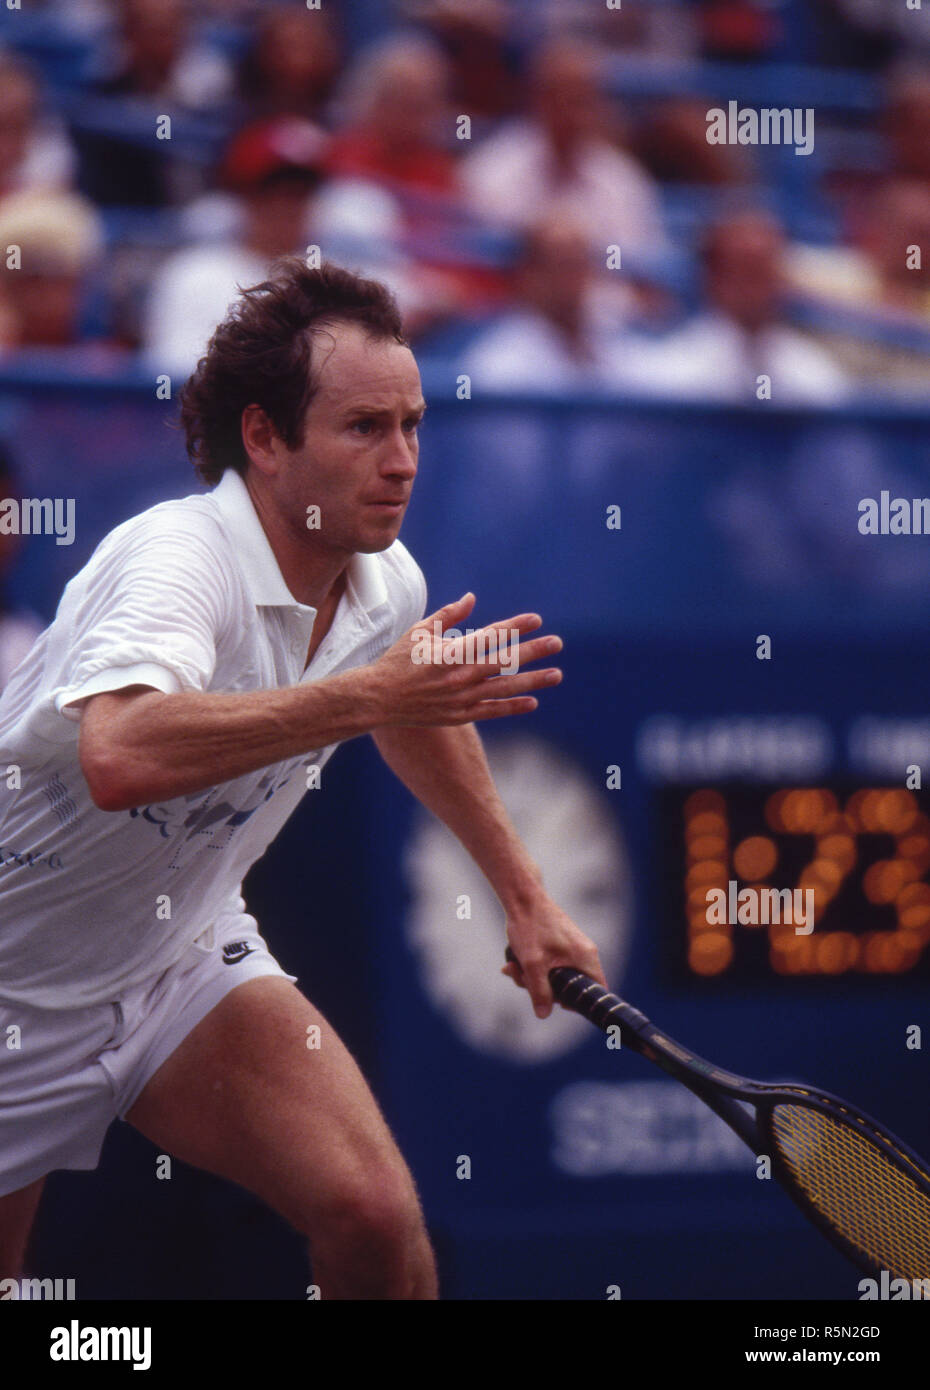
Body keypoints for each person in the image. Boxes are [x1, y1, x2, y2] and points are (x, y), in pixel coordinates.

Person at [0, 259, 606, 1299]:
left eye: (414, 425)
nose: (403, 460)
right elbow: (122, 753)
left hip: (176, 954)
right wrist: (368, 696)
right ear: (265, 439)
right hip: (15, 971)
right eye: (365, 428)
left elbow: (409, 710)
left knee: (372, 1217)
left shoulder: (387, 578)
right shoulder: (175, 560)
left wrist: (526, 895)